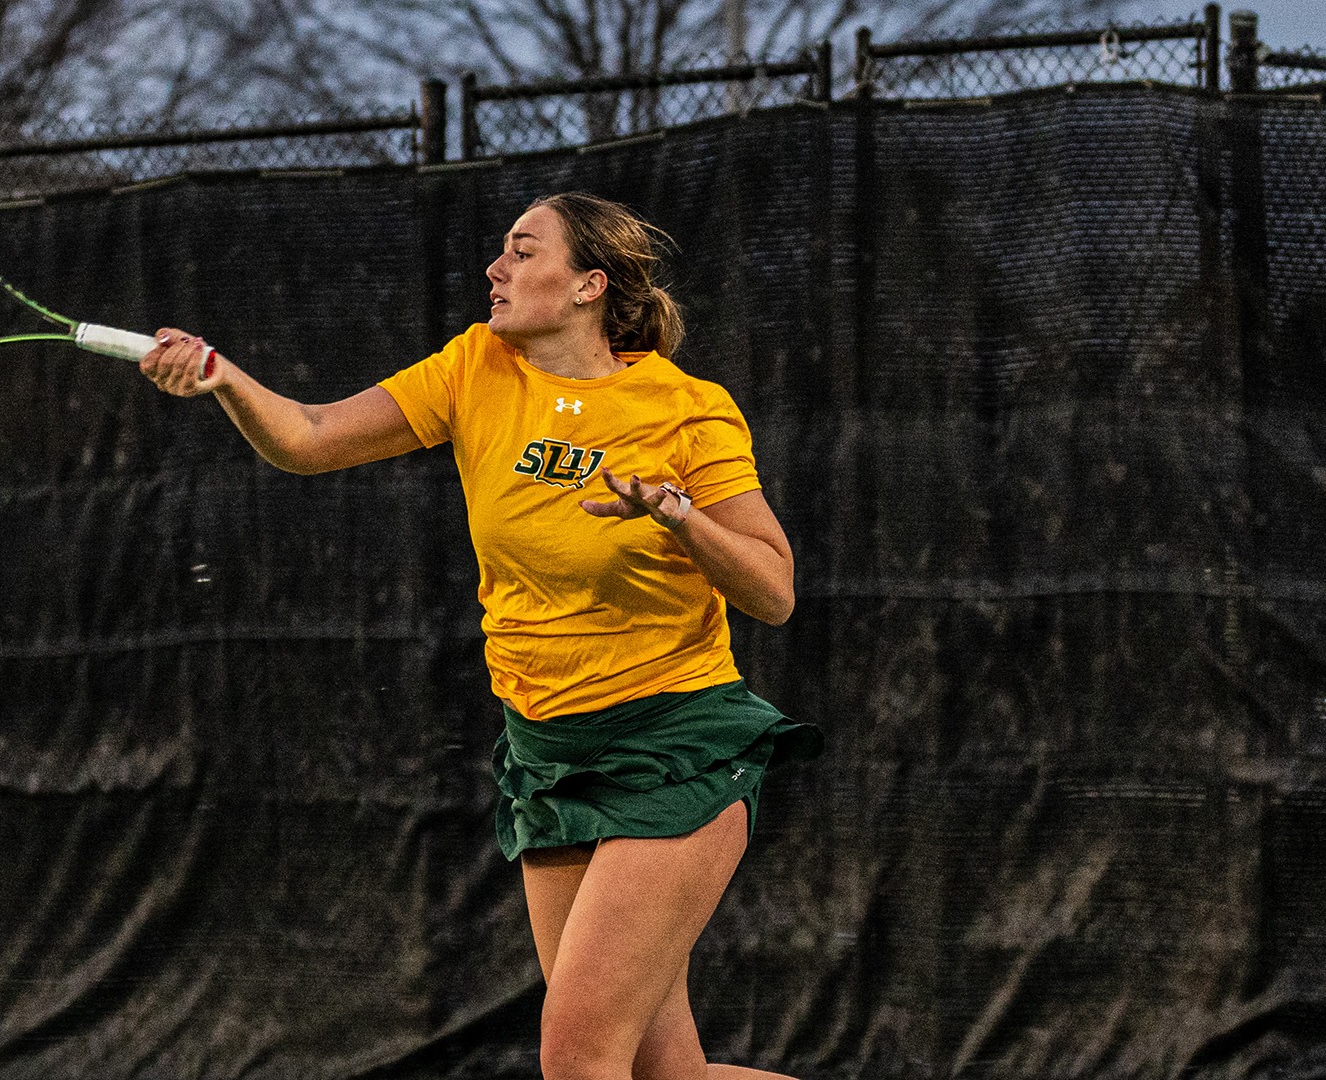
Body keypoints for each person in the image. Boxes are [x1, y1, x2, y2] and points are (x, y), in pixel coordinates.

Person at [140, 191, 819, 1080]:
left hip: (675, 746)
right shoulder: (475, 367)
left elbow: (774, 591)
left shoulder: (687, 408)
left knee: (578, 1059)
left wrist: (678, 516)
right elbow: (309, 436)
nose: (495, 269)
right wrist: (224, 378)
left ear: (588, 286)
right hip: (548, 753)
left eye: (523, 252)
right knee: (668, 1076)